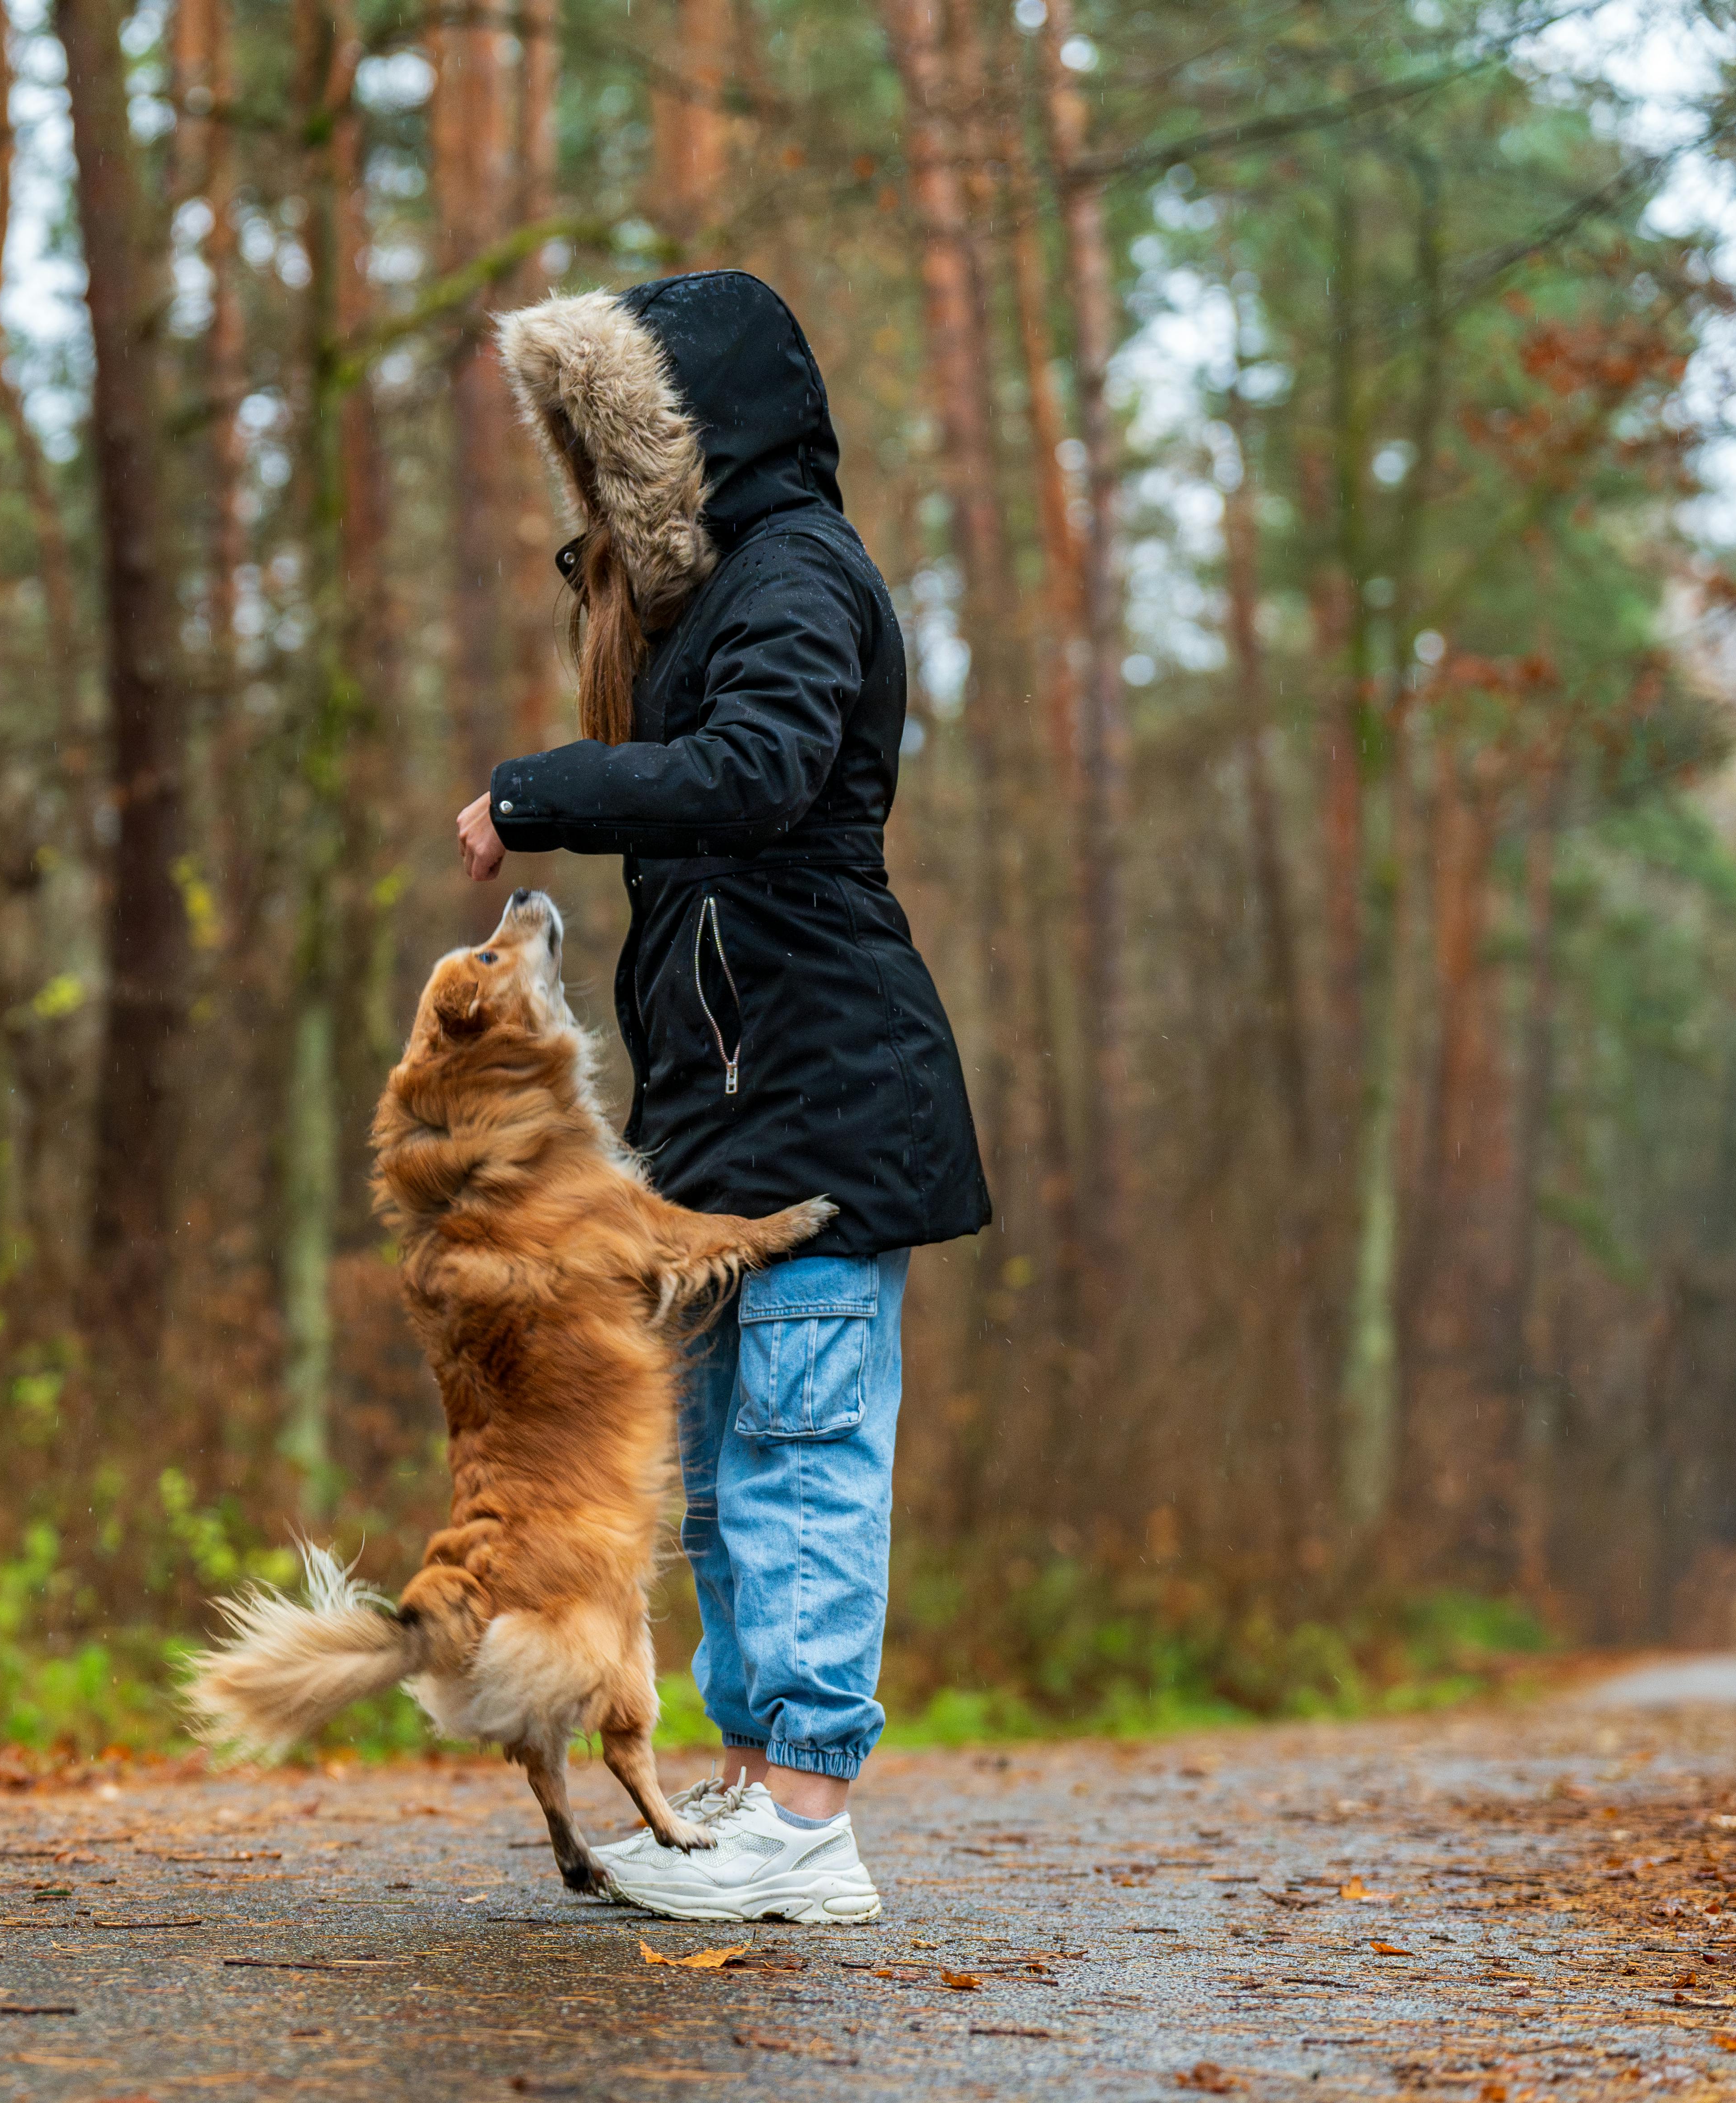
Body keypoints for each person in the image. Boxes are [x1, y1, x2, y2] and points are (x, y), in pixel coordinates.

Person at [454, 271, 989, 1924]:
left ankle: (810, 1811)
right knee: (716, 1469)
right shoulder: (725, 595)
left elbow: (759, 773)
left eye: (618, 455)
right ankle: (756, 1786)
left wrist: (539, 791)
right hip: (730, 1115)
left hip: (828, 1103)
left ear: (693, 437)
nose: (605, 507)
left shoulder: (801, 576)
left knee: (806, 1451)